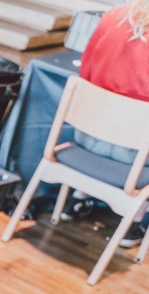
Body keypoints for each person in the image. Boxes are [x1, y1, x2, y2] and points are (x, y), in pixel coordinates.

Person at [75, 0, 149, 247]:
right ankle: (135, 219)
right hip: (132, 157)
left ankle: (79, 195)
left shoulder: (113, 15)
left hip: (84, 137)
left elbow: (84, 72)